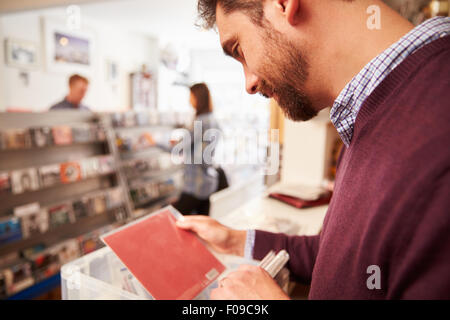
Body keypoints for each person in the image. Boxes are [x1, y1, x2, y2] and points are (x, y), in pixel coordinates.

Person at [175, 0, 450, 299]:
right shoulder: (367, 114)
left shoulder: (437, 127)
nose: (250, 84)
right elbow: (338, 258)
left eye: (239, 49)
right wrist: (235, 240)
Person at [171, 83, 221, 215]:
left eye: (191, 96)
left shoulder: (199, 121)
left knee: (176, 219)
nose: (189, 100)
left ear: (198, 98)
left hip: (195, 184)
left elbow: (179, 148)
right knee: (202, 224)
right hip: (208, 183)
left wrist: (155, 142)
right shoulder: (212, 119)